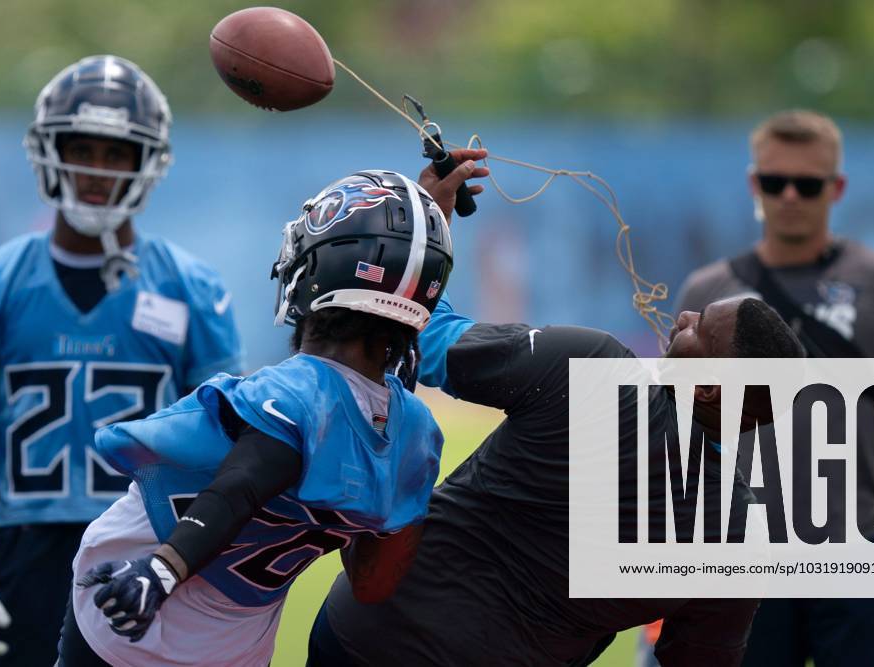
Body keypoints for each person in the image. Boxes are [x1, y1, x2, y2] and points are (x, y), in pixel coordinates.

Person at [293, 153, 805, 666]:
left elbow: (425, 340)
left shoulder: (597, 369)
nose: (685, 314)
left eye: (700, 329)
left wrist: (431, 228)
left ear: (711, 390)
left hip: (365, 645)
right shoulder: (740, 536)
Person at [56, 168, 471, 667]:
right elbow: (373, 581)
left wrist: (162, 570)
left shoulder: (297, 391)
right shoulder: (415, 434)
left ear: (315, 267)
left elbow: (244, 482)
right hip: (235, 647)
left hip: (130, 612)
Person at [0, 55, 243, 666]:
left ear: (146, 164)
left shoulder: (189, 288)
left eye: (117, 153)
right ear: (47, 150)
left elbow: (225, 446)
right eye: (82, 147)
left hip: (142, 544)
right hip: (28, 550)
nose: (96, 170)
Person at [673, 109, 874, 667]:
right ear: (754, 184)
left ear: (836, 188)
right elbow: (678, 427)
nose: (790, 194)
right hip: (742, 550)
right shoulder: (708, 289)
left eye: (808, 183)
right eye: (774, 181)